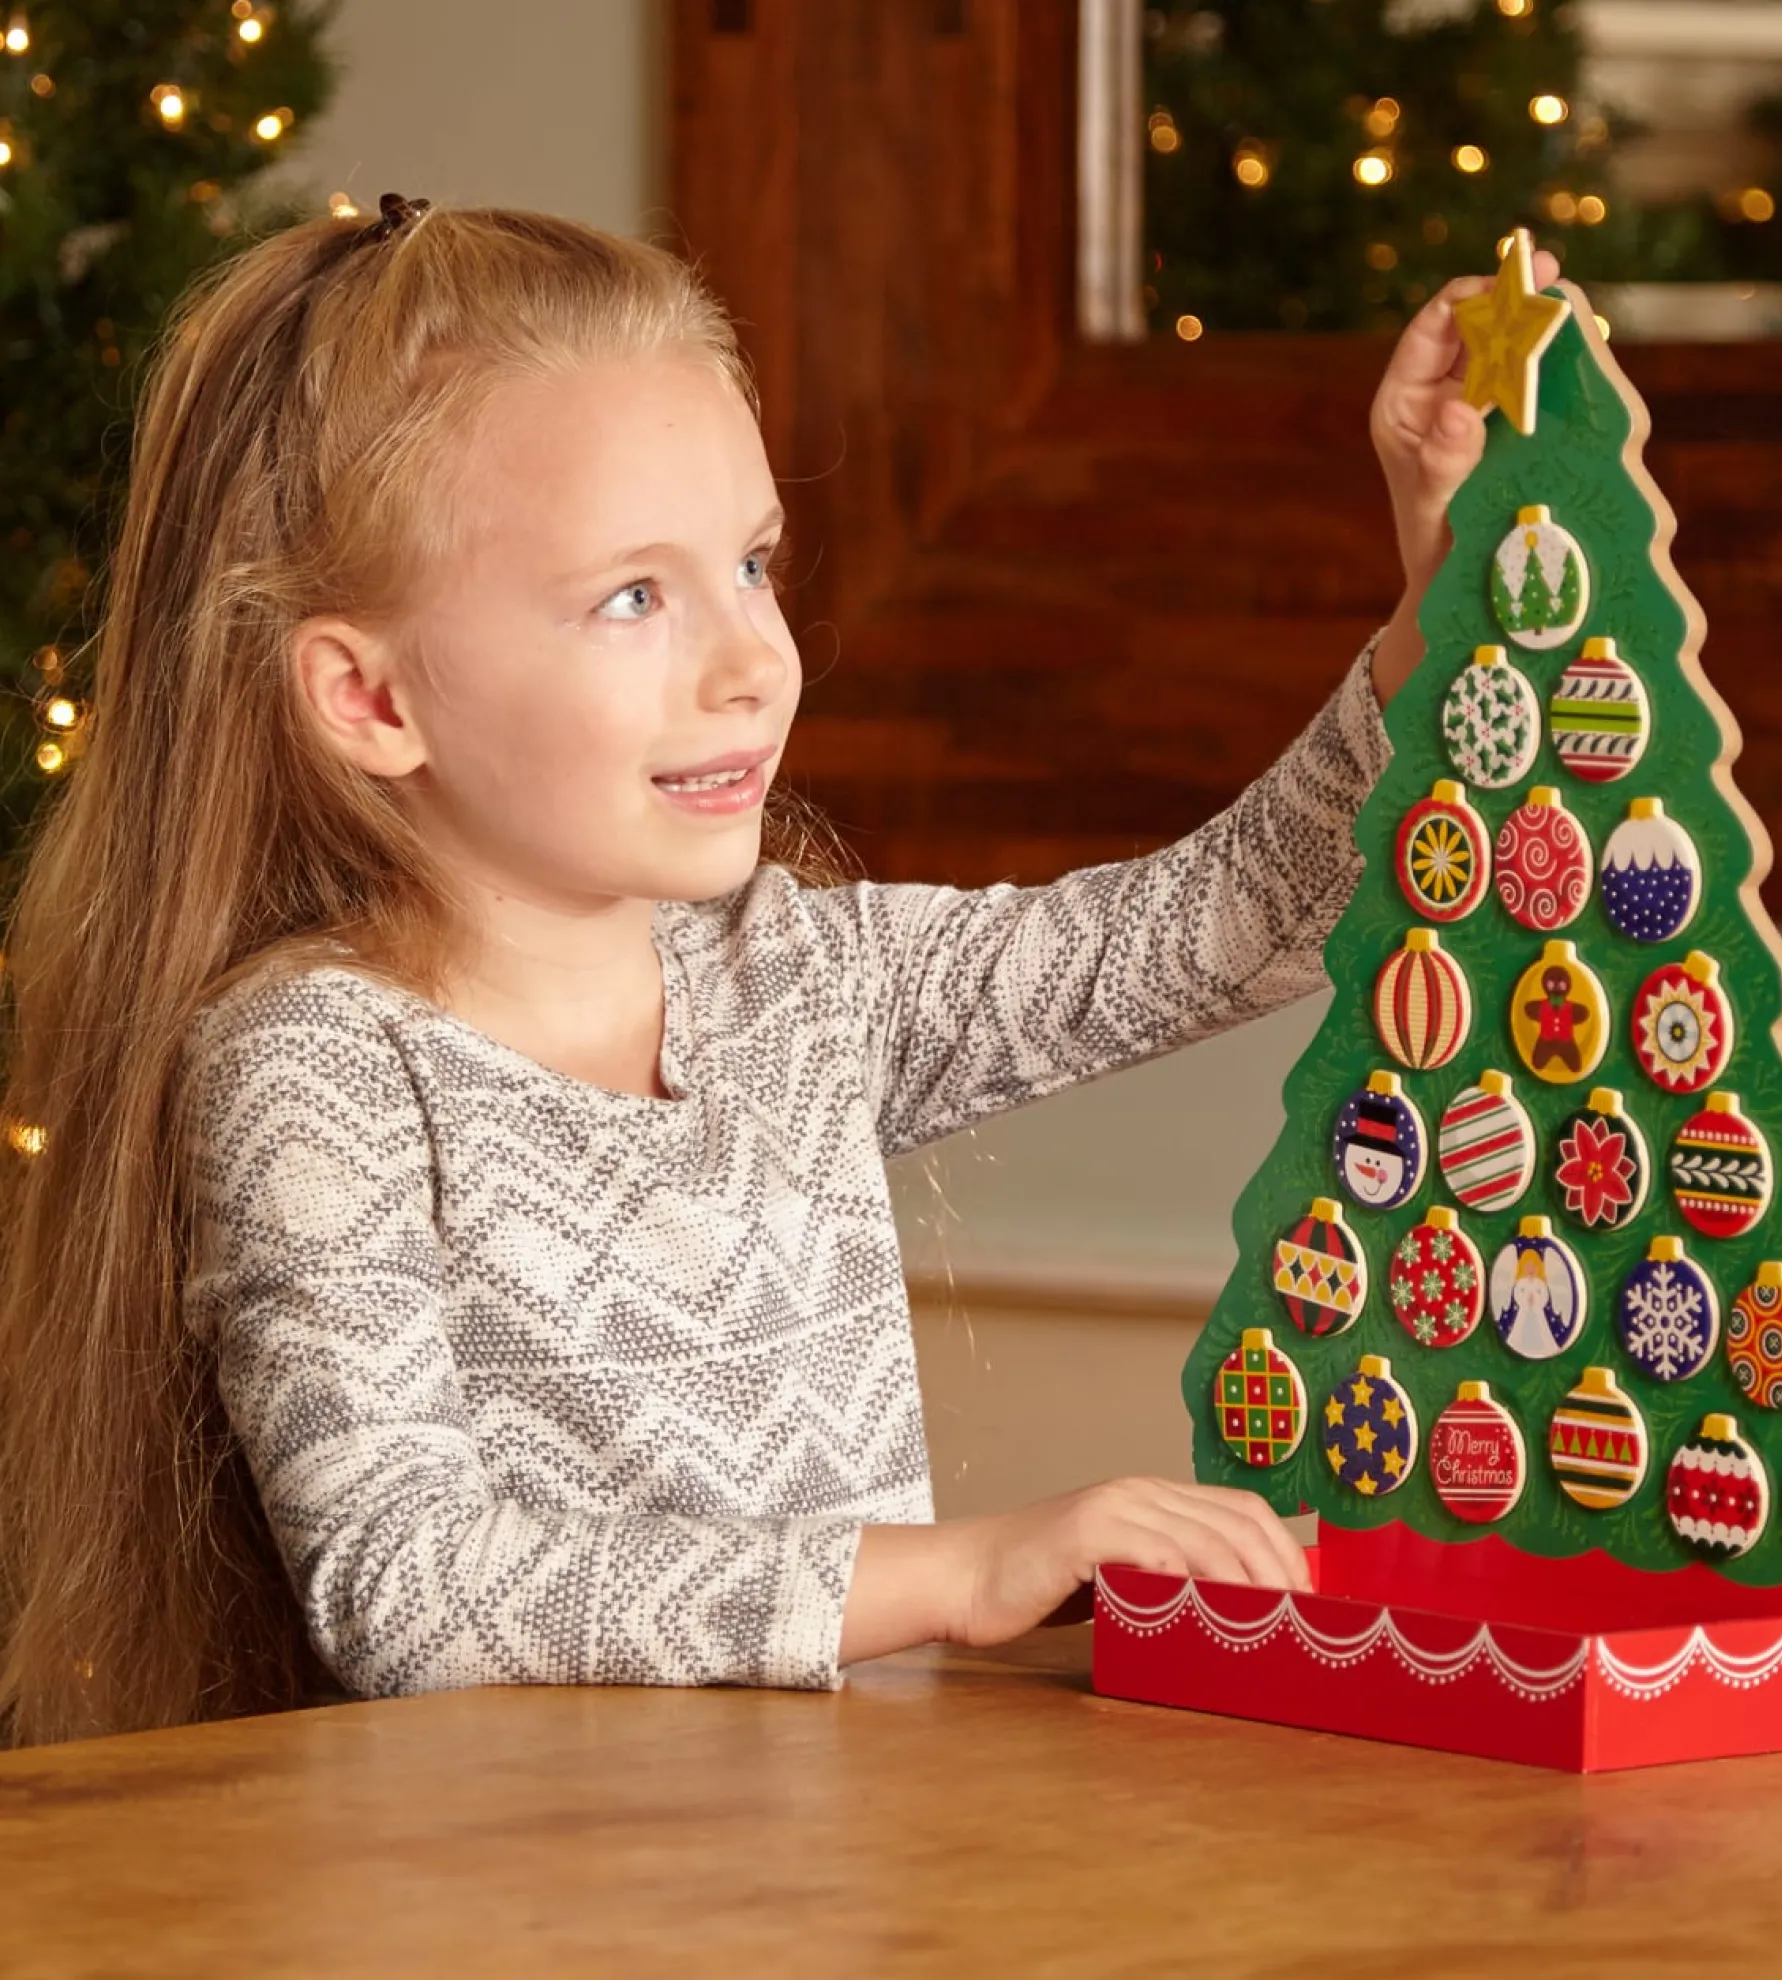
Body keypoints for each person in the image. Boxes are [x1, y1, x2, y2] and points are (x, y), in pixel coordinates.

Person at [0, 193, 1551, 1747]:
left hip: (831, 1879)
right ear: (368, 697)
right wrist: (966, 1570)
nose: (753, 662)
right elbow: (413, 1587)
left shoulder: (799, 981)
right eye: (633, 597)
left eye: (752, 565)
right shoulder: (321, 1069)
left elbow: (1228, 928)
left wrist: (1439, 595)